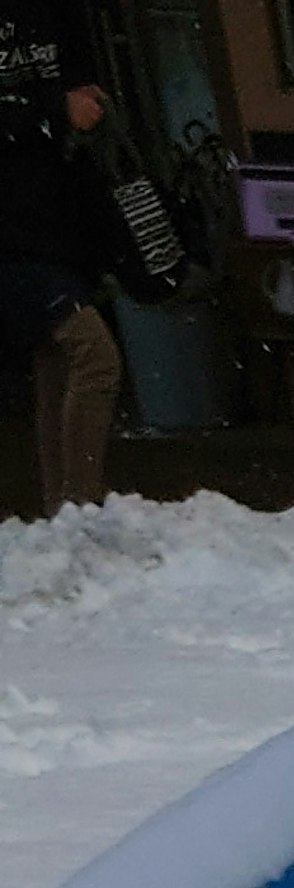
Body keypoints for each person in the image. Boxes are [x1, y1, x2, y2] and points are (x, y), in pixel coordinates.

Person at [0, 0, 116, 516]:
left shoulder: (60, 12)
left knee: (58, 361)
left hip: (55, 217)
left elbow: (80, 81)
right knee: (94, 356)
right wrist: (51, 110)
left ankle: (62, 513)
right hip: (11, 235)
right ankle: (79, 507)